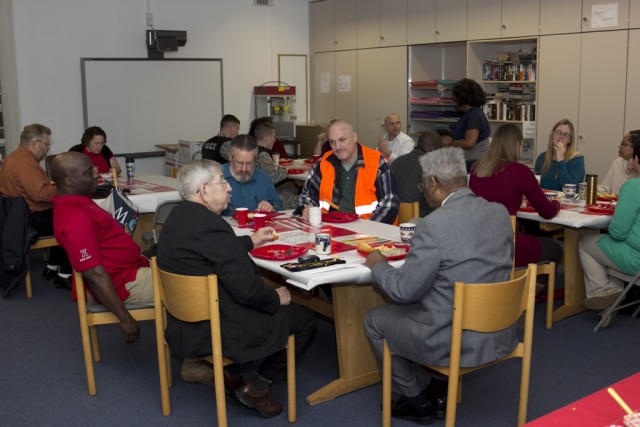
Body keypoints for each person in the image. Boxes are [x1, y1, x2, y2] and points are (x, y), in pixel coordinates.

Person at [363, 147, 515, 424]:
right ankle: (439, 387)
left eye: (423, 185)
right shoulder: (499, 213)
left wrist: (378, 265)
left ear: (432, 183)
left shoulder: (433, 225)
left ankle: (415, 400)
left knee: (375, 320)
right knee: (433, 298)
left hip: (453, 338)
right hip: (500, 331)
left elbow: (403, 291)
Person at [156, 159, 316, 418]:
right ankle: (258, 387)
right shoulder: (212, 226)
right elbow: (247, 290)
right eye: (222, 181)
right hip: (216, 328)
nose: (228, 188)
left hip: (183, 323)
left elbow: (208, 252)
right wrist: (275, 297)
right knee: (304, 318)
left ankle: (233, 375)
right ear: (203, 191)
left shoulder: (176, 217)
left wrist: (250, 240)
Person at [49, 152, 153, 344]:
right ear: (69, 180)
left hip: (132, 270)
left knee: (187, 264)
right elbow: (94, 274)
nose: (97, 173)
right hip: (126, 283)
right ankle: (195, 359)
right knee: (197, 288)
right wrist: (125, 318)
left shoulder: (79, 203)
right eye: (89, 172)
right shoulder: (74, 218)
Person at [469, 124, 564, 268]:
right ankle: (532, 288)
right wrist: (557, 202)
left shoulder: (477, 168)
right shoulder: (520, 171)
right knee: (556, 249)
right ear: (517, 145)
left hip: (478, 243)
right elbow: (548, 212)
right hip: (507, 244)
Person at [0, 123, 72, 288]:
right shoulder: (25, 163)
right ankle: (65, 273)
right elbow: (40, 194)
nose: (47, 148)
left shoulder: (13, 158)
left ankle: (52, 267)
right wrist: (63, 188)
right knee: (76, 222)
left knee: (63, 215)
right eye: (46, 144)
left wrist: (51, 186)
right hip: (31, 220)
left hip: (18, 219)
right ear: (35, 144)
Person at [298, 119, 399, 224]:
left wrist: (371, 228)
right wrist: (308, 208)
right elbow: (307, 194)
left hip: (369, 232)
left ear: (354, 137)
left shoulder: (376, 161)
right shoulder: (324, 162)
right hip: (330, 228)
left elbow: (390, 203)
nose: (337, 147)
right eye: (332, 142)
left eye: (342, 140)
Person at [579, 165, 640, 328]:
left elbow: (618, 233)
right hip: (633, 255)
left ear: (636, 159)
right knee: (610, 248)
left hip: (636, 260)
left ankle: (603, 297)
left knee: (586, 243)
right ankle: (612, 293)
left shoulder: (634, 187)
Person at [221, 134, 283, 215]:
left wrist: (272, 206)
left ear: (255, 159)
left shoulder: (262, 177)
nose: (244, 169)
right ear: (230, 157)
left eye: (249, 163)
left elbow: (279, 205)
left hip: (259, 226)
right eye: (239, 163)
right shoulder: (216, 177)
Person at [391, 131, 443, 217]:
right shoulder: (431, 167)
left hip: (392, 217)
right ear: (434, 149)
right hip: (418, 219)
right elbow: (437, 202)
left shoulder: (396, 161)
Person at [448, 78, 491, 172]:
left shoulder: (473, 115)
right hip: (472, 161)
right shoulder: (473, 113)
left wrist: (450, 143)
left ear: (462, 97)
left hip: (472, 162)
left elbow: (469, 142)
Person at [534, 119, 585, 191]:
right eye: (558, 132)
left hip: (565, 201)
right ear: (552, 135)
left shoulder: (577, 159)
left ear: (569, 140)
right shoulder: (542, 157)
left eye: (566, 134)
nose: (561, 137)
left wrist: (561, 160)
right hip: (544, 199)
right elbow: (535, 185)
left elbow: (571, 191)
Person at [598, 130, 640, 194]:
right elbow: (605, 187)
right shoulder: (618, 162)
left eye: (624, 144)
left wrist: (637, 170)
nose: (620, 146)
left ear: (636, 148)